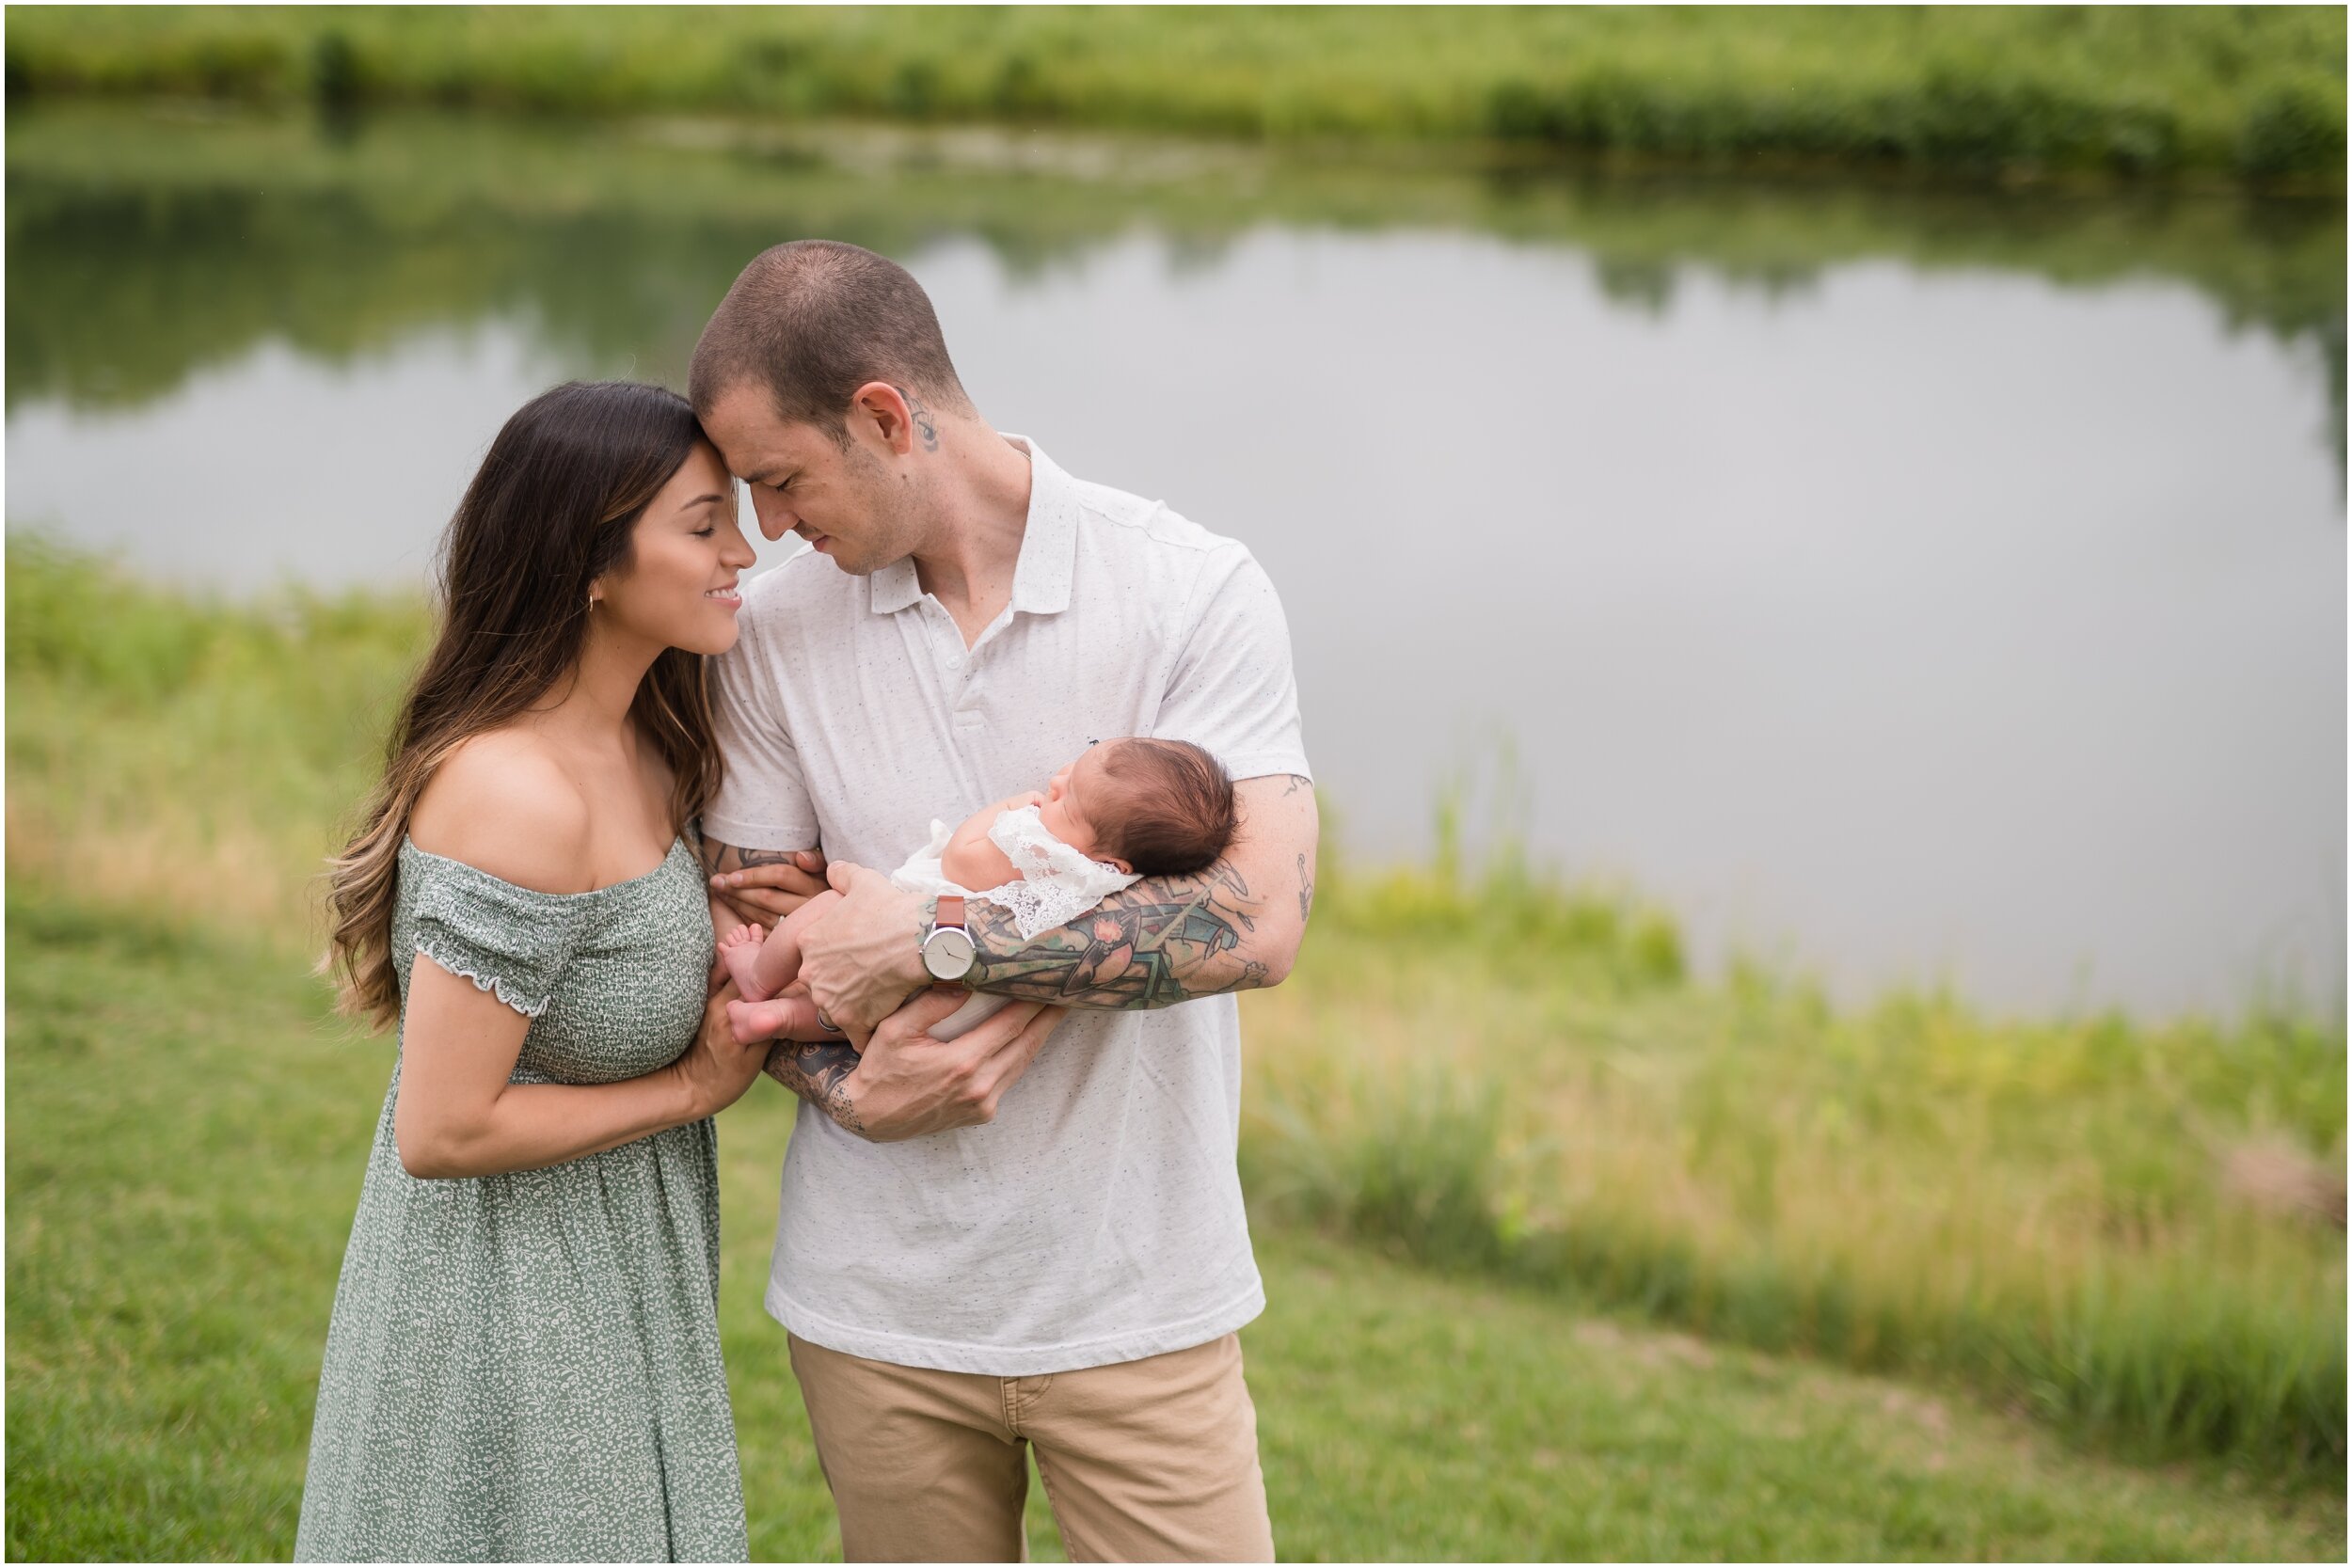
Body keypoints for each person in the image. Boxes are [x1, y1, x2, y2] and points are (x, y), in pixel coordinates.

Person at [294, 379, 1063, 1562]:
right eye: (703, 525)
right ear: (590, 561)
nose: (745, 552)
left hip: (623, 1265)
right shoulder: (511, 791)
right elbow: (441, 1128)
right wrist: (690, 1090)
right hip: (505, 1299)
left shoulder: (654, 743)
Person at [689, 240, 1318, 1562]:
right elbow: (748, 936)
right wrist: (852, 1086)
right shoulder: (773, 630)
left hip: (1140, 1304)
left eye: (782, 481)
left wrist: (931, 934)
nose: (771, 530)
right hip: (877, 1314)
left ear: (882, 415)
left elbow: (1254, 919)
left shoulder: (1191, 587)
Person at [717, 736, 1238, 1045]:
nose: (1053, 786)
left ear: (1107, 858)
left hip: (918, 920)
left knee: (829, 906)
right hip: (966, 1004)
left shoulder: (1041, 846)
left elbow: (961, 859)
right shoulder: (1115, 879)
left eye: (1068, 800)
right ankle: (780, 1017)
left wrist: (1010, 808)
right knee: (864, 1010)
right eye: (1069, 774)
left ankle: (760, 980)